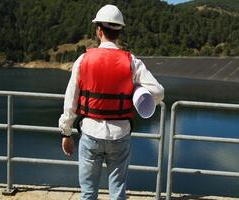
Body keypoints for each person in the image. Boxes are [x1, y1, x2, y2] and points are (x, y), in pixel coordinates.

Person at [58, 4, 164, 200]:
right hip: (120, 135)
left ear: (99, 31)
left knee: (88, 193)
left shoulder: (83, 60)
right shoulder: (132, 61)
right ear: (119, 31)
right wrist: (136, 96)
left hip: (90, 133)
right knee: (117, 193)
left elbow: (70, 101)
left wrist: (66, 132)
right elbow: (158, 91)